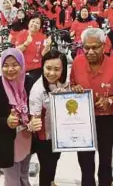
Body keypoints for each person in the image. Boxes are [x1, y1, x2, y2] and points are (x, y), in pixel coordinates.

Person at [70, 28, 113, 186]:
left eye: (95, 47)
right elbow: (72, 84)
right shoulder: (77, 62)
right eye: (86, 47)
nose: (90, 51)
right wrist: (73, 89)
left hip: (106, 120)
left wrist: (109, 100)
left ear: (104, 45)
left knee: (105, 161)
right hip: (82, 120)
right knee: (85, 162)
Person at [0, 48, 42, 186]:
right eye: (5, 65)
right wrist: (5, 122)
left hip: (26, 139)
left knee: (24, 176)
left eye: (15, 64)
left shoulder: (29, 82)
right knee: (12, 181)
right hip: (6, 144)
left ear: (22, 64)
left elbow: (37, 105)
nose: (10, 69)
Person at [29, 49, 68, 186]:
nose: (52, 73)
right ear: (42, 67)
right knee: (46, 167)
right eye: (48, 68)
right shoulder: (37, 90)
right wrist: (32, 123)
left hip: (60, 133)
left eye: (57, 69)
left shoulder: (64, 82)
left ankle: (51, 182)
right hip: (44, 138)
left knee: (55, 161)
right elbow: (35, 119)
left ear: (63, 69)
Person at [15, 14, 51, 83]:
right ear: (29, 22)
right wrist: (26, 44)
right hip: (22, 67)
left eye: (37, 23)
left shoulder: (43, 37)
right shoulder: (21, 34)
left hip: (36, 68)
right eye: (33, 21)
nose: (34, 24)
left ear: (40, 26)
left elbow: (43, 54)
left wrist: (48, 46)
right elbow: (16, 51)